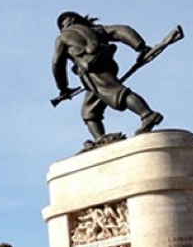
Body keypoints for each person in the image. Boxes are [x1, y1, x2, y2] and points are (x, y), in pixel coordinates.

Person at [52, 11, 163, 150]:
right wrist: (139, 46)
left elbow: (57, 63)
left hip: (92, 70)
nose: (62, 28)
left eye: (62, 24)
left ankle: (147, 115)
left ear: (71, 20)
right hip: (104, 67)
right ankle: (100, 139)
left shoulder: (63, 37)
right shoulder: (97, 30)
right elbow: (121, 30)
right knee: (89, 110)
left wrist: (63, 88)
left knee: (116, 93)